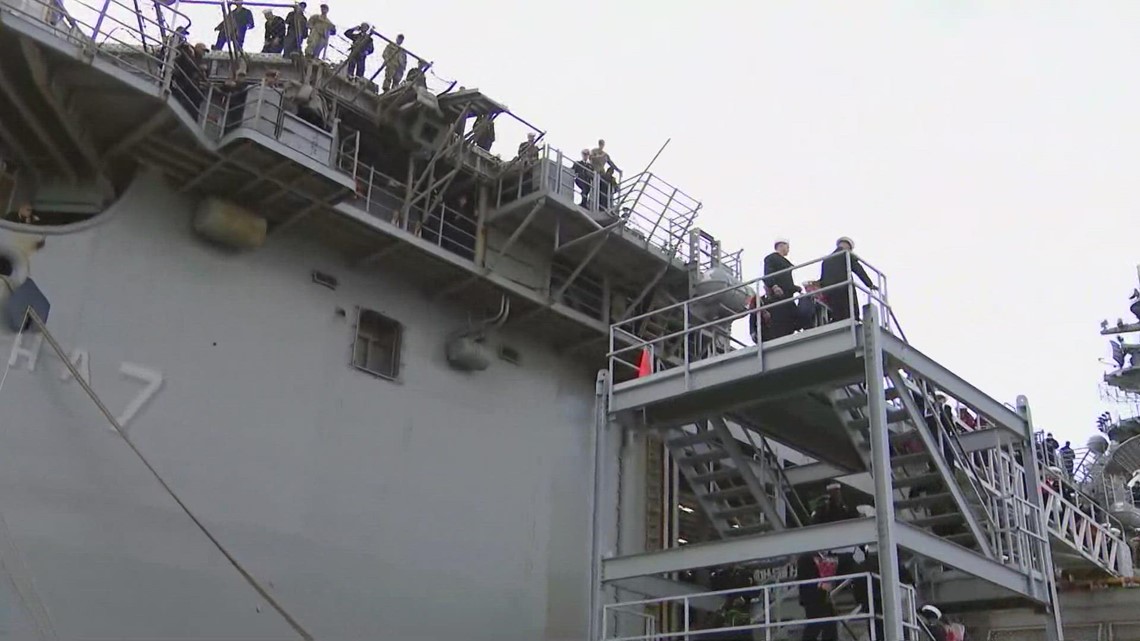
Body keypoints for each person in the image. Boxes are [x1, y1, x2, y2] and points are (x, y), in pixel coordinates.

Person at [818, 236, 875, 322]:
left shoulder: (826, 260)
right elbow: (858, 269)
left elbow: (823, 280)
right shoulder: (847, 255)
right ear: (848, 246)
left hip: (830, 293)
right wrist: (869, 284)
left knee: (837, 314)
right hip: (844, 290)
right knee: (851, 312)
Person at [763, 238, 800, 340]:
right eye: (787, 247)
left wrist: (796, 288)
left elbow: (786, 281)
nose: (788, 250)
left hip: (788, 296)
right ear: (781, 245)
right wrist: (774, 286)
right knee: (780, 320)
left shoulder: (784, 262)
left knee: (794, 317)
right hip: (778, 296)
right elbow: (768, 274)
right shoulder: (772, 258)